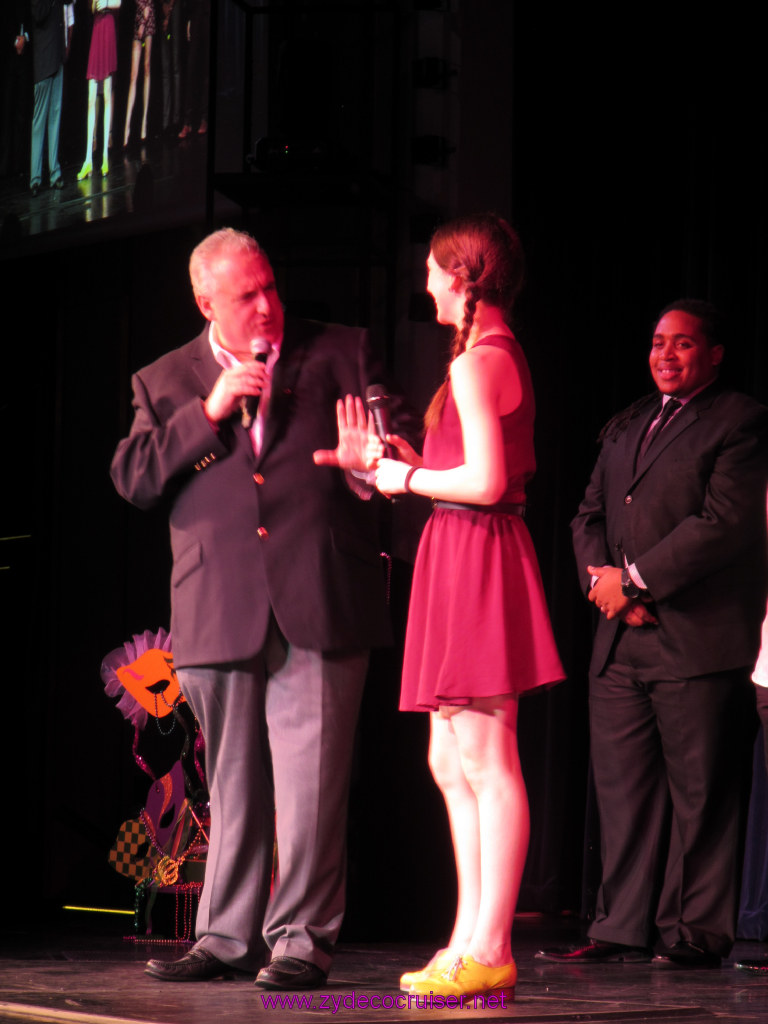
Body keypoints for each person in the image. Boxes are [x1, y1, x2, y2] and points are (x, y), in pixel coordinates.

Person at [110, 228, 415, 989]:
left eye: (271, 286)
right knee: (233, 786)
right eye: (247, 295)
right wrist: (209, 411)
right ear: (205, 301)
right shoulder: (164, 379)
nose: (268, 306)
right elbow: (135, 479)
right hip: (219, 606)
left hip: (320, 594)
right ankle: (223, 937)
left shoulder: (343, 349)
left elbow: (400, 448)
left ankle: (301, 943)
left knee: (312, 787)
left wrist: (368, 469)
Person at [537, 300, 768, 969]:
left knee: (701, 797)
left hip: (696, 640)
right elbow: (589, 515)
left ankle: (696, 933)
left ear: (714, 353)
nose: (666, 355)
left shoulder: (741, 421)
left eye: (684, 344)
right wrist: (602, 586)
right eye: (658, 342)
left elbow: (723, 525)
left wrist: (635, 582)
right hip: (620, 641)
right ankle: (620, 926)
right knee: (622, 790)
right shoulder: (629, 421)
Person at [372, 214, 565, 1000]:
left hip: (480, 557)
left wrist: (407, 483)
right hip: (460, 555)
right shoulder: (479, 362)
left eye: (432, 271)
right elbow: (473, 470)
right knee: (449, 759)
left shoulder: (480, 364)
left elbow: (486, 484)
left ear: (464, 276)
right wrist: (403, 464)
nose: (424, 285)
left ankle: (490, 944)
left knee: (487, 759)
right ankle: (467, 939)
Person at [29, 0, 74, 195]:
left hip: (57, 58)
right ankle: (35, 179)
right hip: (43, 61)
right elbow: (38, 14)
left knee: (55, 117)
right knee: (39, 122)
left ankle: (55, 173)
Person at [78, 0, 120, 181]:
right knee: (91, 99)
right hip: (97, 29)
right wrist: (95, 5)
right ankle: (88, 159)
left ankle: (104, 157)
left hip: (108, 27)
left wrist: (107, 3)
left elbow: (119, 3)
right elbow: (90, 6)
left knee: (108, 96)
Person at [122, 0, 154, 148]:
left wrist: (145, 18)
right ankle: (126, 128)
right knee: (133, 75)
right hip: (138, 15)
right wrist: (141, 20)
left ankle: (144, 123)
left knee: (147, 67)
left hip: (149, 14)